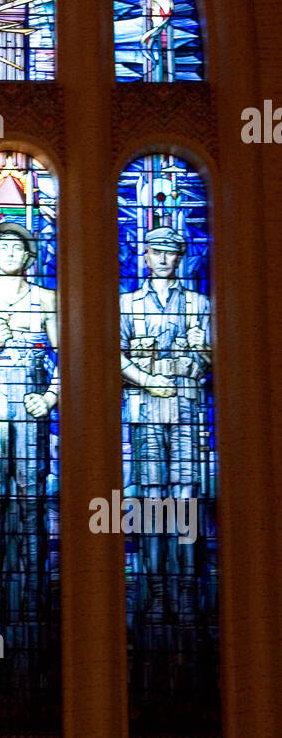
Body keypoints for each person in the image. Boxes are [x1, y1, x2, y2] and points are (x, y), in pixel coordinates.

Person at [0, 222, 58, 625]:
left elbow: (68, 354)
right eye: (0, 248)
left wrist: (51, 397)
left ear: (28, 256)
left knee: (30, 499)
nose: (8, 254)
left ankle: (35, 593)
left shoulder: (46, 298)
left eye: (16, 249)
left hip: (30, 402)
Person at [120, 225, 211, 625]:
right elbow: (114, 356)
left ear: (180, 257)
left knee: (186, 497)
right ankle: (154, 592)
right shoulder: (128, 304)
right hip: (146, 409)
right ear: (145, 256)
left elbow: (217, 361)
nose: (161, 258)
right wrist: (145, 378)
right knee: (153, 499)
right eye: (155, 251)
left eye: (169, 252)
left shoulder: (199, 304)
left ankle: (187, 590)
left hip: (187, 409)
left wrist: (199, 348)